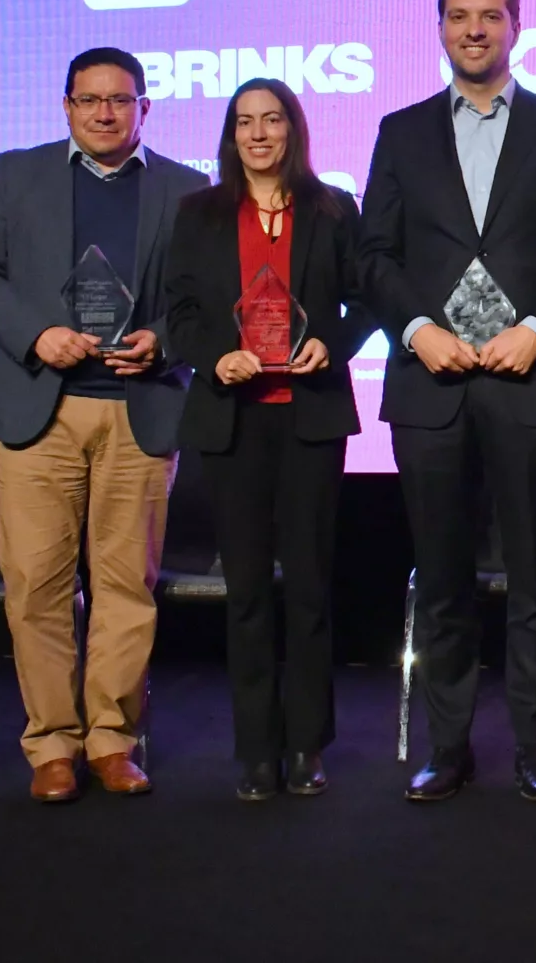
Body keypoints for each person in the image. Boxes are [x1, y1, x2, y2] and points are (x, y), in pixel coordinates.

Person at [0, 46, 209, 802]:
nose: (105, 112)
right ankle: (52, 745)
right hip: (41, 406)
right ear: (66, 106)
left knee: (126, 585)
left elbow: (201, 299)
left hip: (140, 406)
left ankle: (112, 739)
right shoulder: (17, 173)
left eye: (120, 100)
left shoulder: (186, 188)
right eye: (90, 99)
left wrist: (163, 340)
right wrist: (36, 334)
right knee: (36, 584)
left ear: (144, 108)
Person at [360, 0, 536, 804]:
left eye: (490, 15)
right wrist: (419, 331)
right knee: (443, 576)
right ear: (440, 28)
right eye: (459, 16)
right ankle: (447, 746)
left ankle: (534, 744)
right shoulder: (401, 131)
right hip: (431, 384)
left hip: (531, 378)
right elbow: (374, 256)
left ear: (516, 26)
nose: (475, 30)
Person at [167, 78, 365, 802]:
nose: (258, 133)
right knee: (247, 590)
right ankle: (256, 750)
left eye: (272, 119)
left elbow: (365, 298)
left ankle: (307, 744)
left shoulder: (333, 207)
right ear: (230, 134)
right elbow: (180, 311)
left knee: (309, 586)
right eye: (245, 121)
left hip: (309, 415)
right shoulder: (199, 213)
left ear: (292, 129)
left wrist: (333, 344)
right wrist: (215, 355)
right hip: (233, 418)